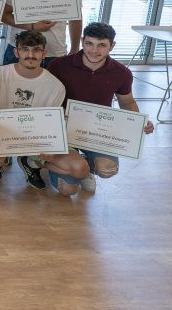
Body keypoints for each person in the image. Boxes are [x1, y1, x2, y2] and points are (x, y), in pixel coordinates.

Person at [48, 22, 154, 193]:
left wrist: (139, 121)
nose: (94, 50)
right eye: (89, 43)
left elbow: (127, 102)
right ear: (82, 41)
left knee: (108, 169)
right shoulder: (59, 65)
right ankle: (72, 166)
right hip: (64, 129)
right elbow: (44, 98)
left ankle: (84, 167)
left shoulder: (122, 72)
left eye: (102, 45)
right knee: (68, 190)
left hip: (97, 131)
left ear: (112, 46)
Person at [0, 30, 89, 195]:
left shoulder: (55, 86)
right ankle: (0, 161)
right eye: (25, 49)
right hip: (3, 137)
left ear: (44, 53)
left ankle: (30, 162)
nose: (30, 55)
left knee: (80, 169)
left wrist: (51, 147)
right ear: (16, 52)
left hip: (36, 141)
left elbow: (52, 124)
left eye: (36, 50)